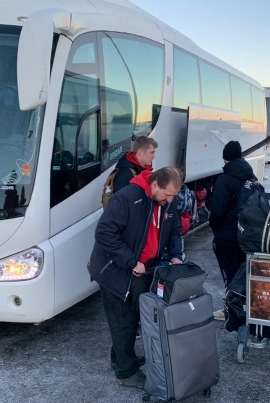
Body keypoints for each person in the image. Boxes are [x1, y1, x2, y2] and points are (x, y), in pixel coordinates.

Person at [88, 166, 183, 389]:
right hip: (114, 270)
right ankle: (126, 372)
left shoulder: (167, 201)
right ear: (154, 185)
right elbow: (104, 233)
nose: (170, 200)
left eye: (174, 196)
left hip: (143, 269)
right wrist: (131, 261)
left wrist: (176, 255)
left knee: (132, 319)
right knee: (123, 322)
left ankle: (121, 358)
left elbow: (175, 230)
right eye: (167, 194)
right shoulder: (127, 198)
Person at [209, 141, 257, 321]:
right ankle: (247, 308)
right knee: (245, 272)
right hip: (247, 235)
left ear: (225, 157)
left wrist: (213, 225)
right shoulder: (251, 177)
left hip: (227, 235)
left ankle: (230, 311)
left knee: (230, 274)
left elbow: (217, 211)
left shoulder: (225, 179)